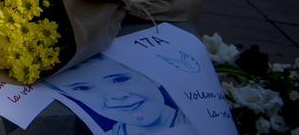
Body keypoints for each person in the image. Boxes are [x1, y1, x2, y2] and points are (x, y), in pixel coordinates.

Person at [44, 54, 191, 134]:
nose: (116, 96)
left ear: (152, 76)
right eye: (82, 88)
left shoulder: (202, 120)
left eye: (120, 79)